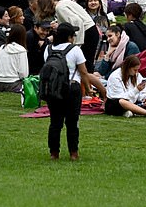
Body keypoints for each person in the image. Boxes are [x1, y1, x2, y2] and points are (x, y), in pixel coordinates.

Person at [44, 22, 107, 161]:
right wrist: (89, 90)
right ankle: (73, 153)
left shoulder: (48, 49)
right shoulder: (75, 50)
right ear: (69, 37)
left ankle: (54, 153)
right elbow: (84, 72)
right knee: (72, 122)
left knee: (55, 122)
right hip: (72, 88)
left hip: (53, 89)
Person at [0, 25, 29, 93]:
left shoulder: (2, 48)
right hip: (14, 83)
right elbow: (24, 73)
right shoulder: (21, 50)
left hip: (0, 83)